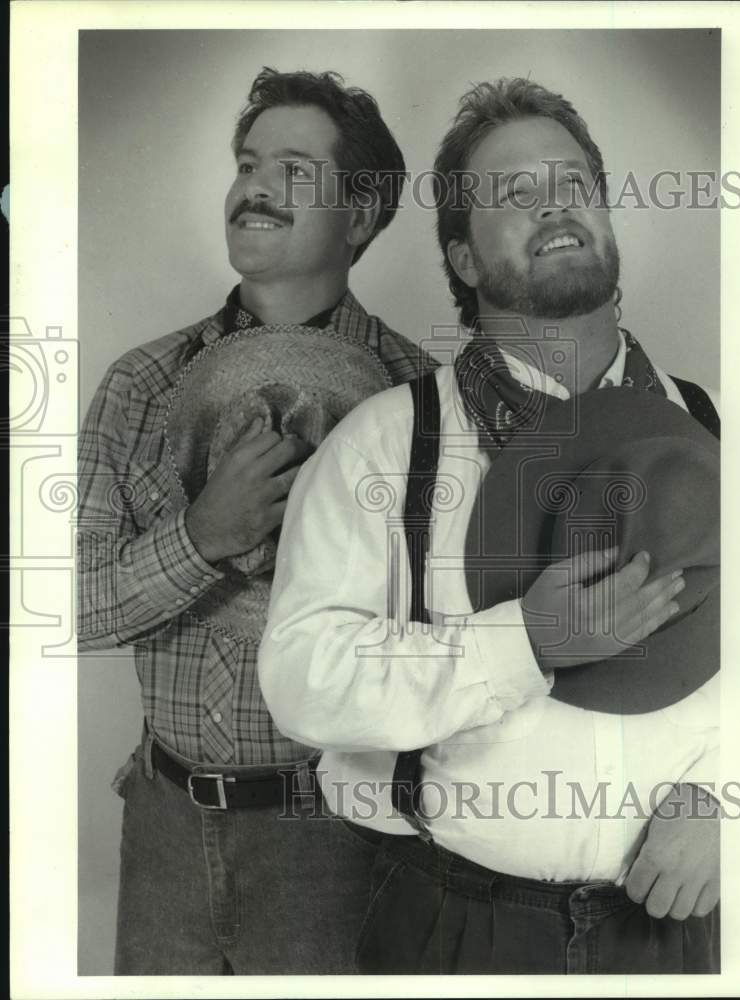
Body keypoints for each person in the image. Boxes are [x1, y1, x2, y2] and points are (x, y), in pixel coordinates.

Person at [259, 77, 721, 974]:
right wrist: (527, 641)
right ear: (464, 260)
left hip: (678, 929)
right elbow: (301, 675)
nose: (554, 206)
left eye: (574, 183)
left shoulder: (712, 428)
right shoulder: (389, 445)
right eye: (513, 194)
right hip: (456, 928)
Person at [77, 67, 435, 975]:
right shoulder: (140, 384)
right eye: (245, 162)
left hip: (342, 836)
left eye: (293, 168)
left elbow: (450, 639)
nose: (255, 185)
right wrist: (201, 536)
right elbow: (69, 610)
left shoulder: (424, 403)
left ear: (359, 218)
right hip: (161, 824)